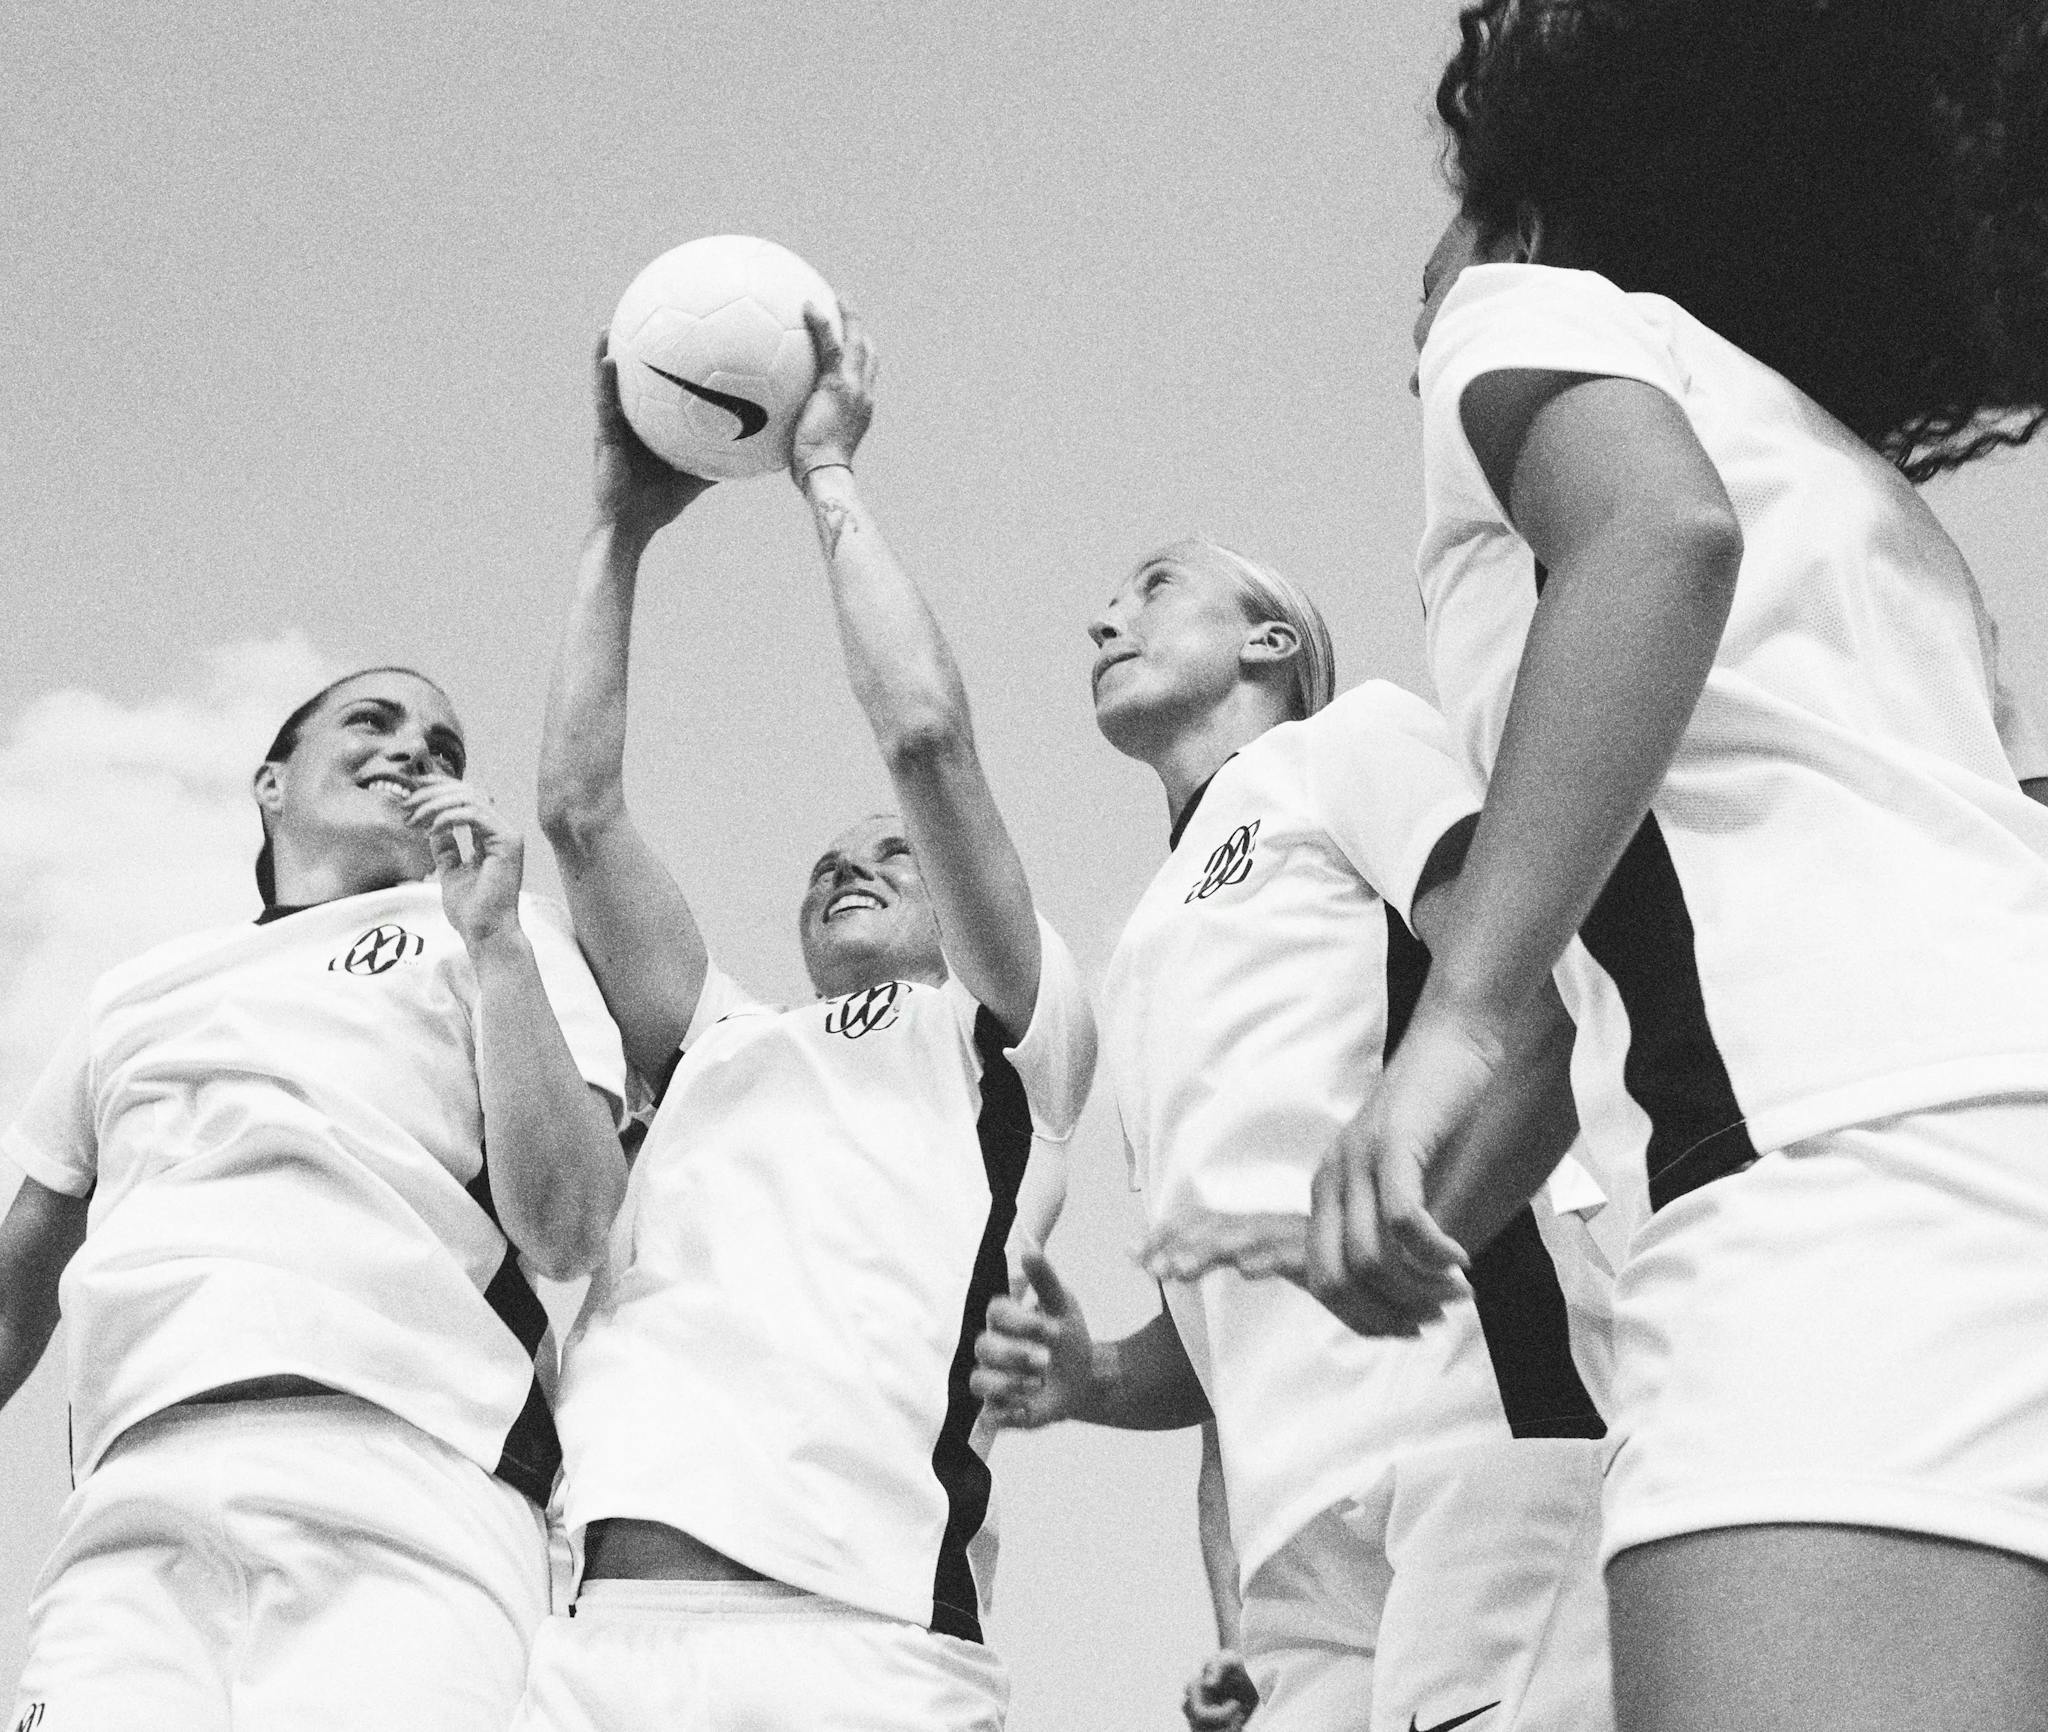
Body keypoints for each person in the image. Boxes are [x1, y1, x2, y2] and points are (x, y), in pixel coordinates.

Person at [1240, 5, 2048, 1730]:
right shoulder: (1851, 486)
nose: (1422, 267)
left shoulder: (1523, 319)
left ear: (1536, 208)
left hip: (1837, 1176)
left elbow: (1654, 537)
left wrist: (1450, 1013)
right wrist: (1433, 1207)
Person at [509, 309, 1095, 1732]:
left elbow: (925, 739)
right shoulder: (712, 1045)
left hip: (866, 1638)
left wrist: (826, 478)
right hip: (601, 1636)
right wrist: (620, 532)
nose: (856, 863)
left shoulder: (1008, 1035)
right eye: (833, 859)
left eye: (897, 856)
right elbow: (579, 816)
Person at [974, 537, 1612, 1732]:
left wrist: (1430, 1238)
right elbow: (1219, 1315)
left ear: (1269, 641)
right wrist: (1100, 1377)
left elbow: (1539, 998)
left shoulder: (1347, 743)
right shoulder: (1145, 944)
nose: (1104, 617)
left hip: (1471, 1426)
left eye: (1152, 585)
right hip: (1292, 1542)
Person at [0, 668, 630, 1732]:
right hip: (134, 1496)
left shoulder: (498, 933)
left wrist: (494, 943)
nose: (413, 749)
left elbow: (569, 1230)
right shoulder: (136, 993)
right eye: (371, 721)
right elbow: (15, 1301)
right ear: (271, 783)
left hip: (407, 1469)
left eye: (441, 741)